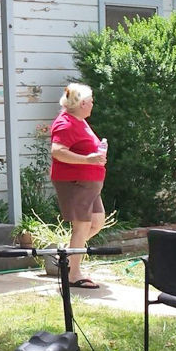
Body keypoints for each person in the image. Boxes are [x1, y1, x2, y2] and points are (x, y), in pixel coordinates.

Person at [50, 83, 108, 289]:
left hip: (90, 183)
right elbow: (57, 151)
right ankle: (74, 274)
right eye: (91, 101)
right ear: (83, 103)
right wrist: (88, 160)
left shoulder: (80, 121)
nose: (93, 104)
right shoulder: (65, 123)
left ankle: (65, 255)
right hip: (75, 183)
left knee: (97, 222)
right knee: (82, 226)